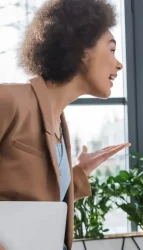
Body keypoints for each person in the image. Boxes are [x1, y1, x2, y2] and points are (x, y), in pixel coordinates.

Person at [0, 0, 129, 250]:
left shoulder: (59, 123)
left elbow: (33, 194)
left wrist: (77, 174)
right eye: (111, 50)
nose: (119, 64)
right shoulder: (9, 100)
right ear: (81, 49)